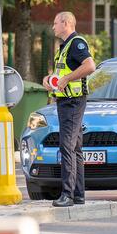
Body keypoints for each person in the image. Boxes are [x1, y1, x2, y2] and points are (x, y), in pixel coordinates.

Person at [42, 12, 96, 207]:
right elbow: (61, 74)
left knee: (66, 146)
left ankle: (68, 195)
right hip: (66, 100)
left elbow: (90, 66)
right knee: (76, 148)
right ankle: (79, 194)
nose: (53, 27)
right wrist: (50, 80)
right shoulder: (64, 47)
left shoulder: (76, 43)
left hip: (73, 102)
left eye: (55, 23)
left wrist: (66, 79)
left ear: (65, 23)